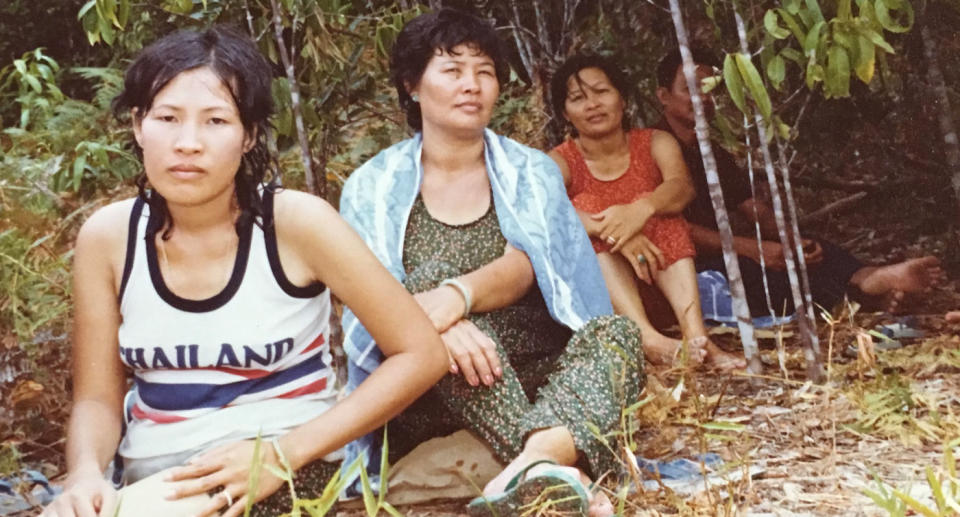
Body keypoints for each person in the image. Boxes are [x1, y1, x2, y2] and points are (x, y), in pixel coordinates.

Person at [41, 26, 448, 517]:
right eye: (167, 117)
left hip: (290, 469)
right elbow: (97, 399)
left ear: (249, 134)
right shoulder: (108, 238)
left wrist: (282, 456)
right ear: (137, 124)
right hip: (158, 484)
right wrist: (85, 473)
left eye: (215, 120)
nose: (188, 143)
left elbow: (420, 353)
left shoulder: (295, 224)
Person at [340, 9, 643, 516]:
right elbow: (374, 300)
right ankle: (556, 461)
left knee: (617, 335)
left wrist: (454, 299)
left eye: (484, 72)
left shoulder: (530, 172)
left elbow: (529, 265)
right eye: (453, 70)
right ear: (412, 85)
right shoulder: (373, 186)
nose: (472, 85)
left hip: (542, 376)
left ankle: (536, 462)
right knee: (425, 285)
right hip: (432, 384)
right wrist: (426, 327)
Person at [653, 48, 944, 317]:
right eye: (690, 90)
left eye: (710, 90)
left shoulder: (711, 152)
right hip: (689, 264)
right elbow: (675, 230)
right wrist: (752, 248)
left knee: (812, 250)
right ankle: (863, 296)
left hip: (729, 248)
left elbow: (751, 206)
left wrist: (791, 240)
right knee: (766, 277)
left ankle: (869, 278)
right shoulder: (649, 147)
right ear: (664, 96)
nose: (703, 99)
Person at [547, 54, 744, 370]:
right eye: (578, 98)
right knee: (584, 206)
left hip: (662, 282)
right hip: (606, 301)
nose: (593, 104)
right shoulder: (560, 161)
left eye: (602, 91)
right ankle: (646, 339)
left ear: (622, 100)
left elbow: (681, 187)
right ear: (565, 114)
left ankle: (696, 336)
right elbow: (546, 214)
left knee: (663, 209)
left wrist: (640, 210)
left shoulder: (654, 141)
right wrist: (614, 232)